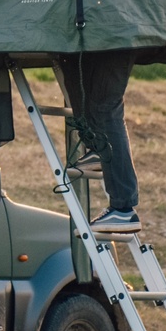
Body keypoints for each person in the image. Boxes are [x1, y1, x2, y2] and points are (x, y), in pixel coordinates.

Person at [60, 50, 141, 234]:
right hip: (92, 34)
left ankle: (123, 209)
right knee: (79, 83)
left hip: (113, 35)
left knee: (105, 108)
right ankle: (98, 149)